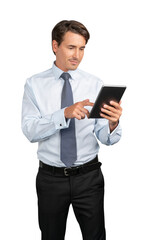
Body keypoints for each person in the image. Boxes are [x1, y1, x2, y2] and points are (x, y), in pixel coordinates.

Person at [21, 20, 122, 240]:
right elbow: (29, 130)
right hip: (51, 180)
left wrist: (113, 124)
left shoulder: (95, 84)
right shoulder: (34, 84)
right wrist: (63, 114)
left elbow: (105, 136)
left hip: (89, 178)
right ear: (55, 46)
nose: (77, 55)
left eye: (82, 48)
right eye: (71, 47)